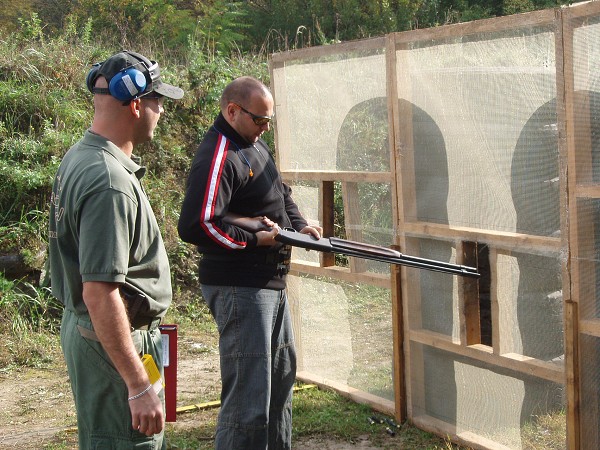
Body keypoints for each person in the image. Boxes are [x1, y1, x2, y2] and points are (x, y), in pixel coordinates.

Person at [48, 50, 184, 449]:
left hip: (103, 337)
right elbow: (99, 291)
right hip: (117, 342)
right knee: (129, 442)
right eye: (159, 101)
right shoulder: (109, 181)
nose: (161, 111)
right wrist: (139, 385)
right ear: (138, 104)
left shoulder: (82, 156)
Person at [178, 76, 322, 449]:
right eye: (260, 120)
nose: (264, 128)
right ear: (232, 111)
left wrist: (301, 226)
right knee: (249, 397)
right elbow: (198, 224)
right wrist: (254, 239)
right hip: (240, 286)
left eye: (269, 122)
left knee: (280, 381)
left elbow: (280, 192)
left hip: (269, 282)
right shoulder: (219, 155)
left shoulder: (254, 146)